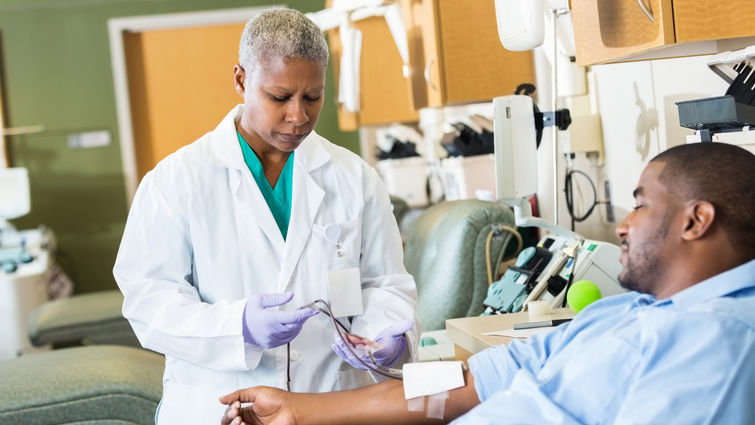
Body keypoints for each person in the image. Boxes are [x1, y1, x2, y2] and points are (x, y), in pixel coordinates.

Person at [219, 142, 755, 425]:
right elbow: (471, 382)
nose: (622, 225)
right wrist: (298, 410)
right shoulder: (623, 313)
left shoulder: (717, 343)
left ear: (695, 220)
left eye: (640, 203)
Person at [113, 8, 420, 424]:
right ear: (241, 80)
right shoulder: (176, 181)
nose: (299, 116)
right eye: (279, 97)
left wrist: (389, 336)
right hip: (218, 403)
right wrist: (239, 325)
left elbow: (384, 282)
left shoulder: (355, 177)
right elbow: (148, 300)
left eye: (313, 97)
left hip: (332, 402)